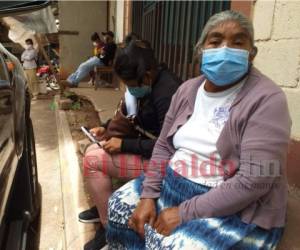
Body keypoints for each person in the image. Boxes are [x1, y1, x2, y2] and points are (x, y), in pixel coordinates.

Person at [106, 10, 291, 249]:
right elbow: (163, 145)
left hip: (232, 205)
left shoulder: (267, 99)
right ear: (200, 50)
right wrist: (148, 195)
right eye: (215, 41)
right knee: (119, 207)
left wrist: (184, 212)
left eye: (238, 42)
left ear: (251, 54)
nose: (225, 49)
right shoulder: (187, 90)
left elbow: (253, 181)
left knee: (175, 245)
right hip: (172, 183)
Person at [81, 41, 182, 250]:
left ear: (147, 75)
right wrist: (105, 127)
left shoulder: (167, 93)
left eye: (131, 84)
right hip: (151, 153)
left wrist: (124, 145)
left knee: (93, 160)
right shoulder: (150, 84)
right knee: (93, 149)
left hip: (166, 165)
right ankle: (104, 206)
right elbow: (131, 115)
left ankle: (110, 229)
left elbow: (167, 147)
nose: (130, 89)